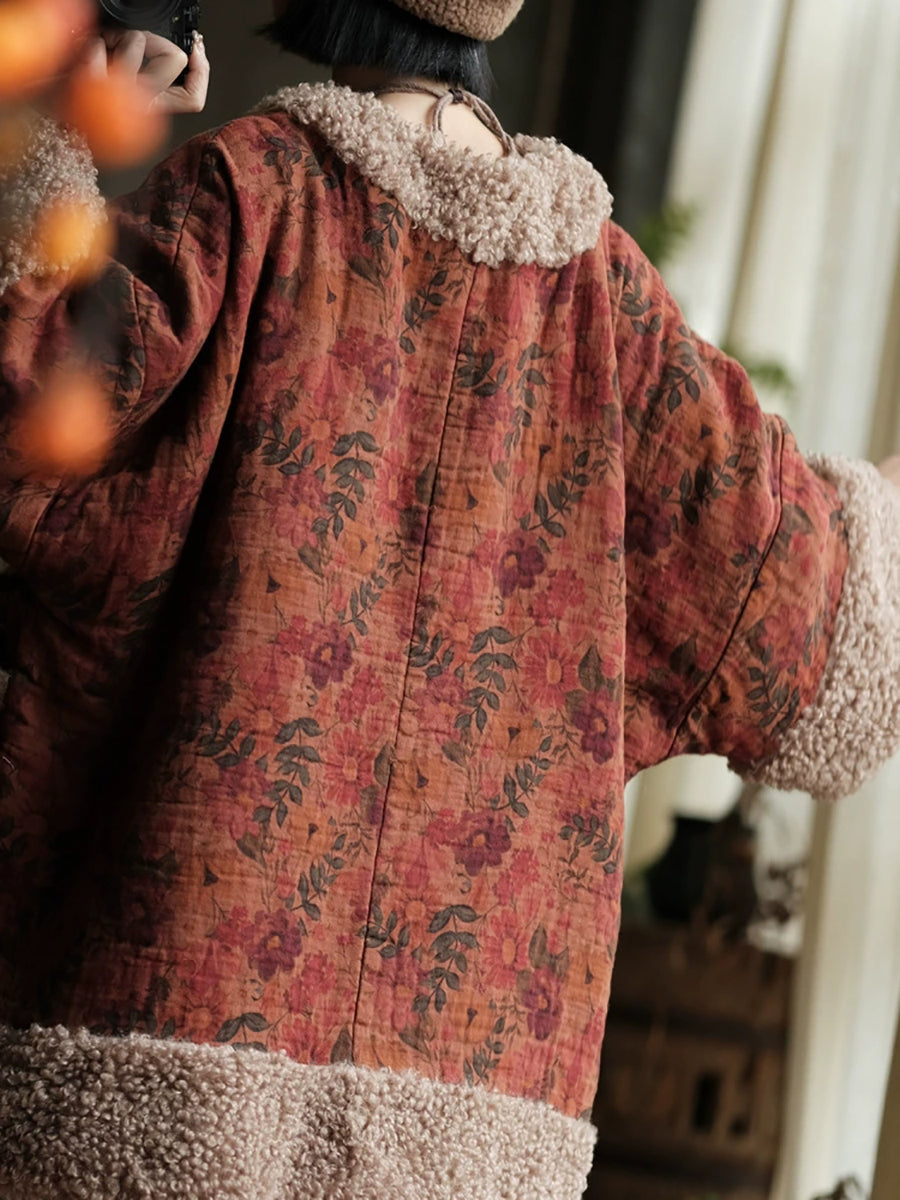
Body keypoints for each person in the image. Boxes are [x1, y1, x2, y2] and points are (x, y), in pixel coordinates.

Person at [0, 1, 898, 1196]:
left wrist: (70, 127)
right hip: (474, 1117)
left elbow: (29, 415)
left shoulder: (245, 198)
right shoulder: (612, 308)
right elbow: (811, 621)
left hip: (169, 1087)